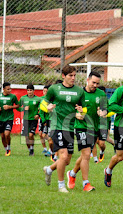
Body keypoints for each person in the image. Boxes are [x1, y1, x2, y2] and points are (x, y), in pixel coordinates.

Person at [41, 65, 86, 193]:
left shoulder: (79, 91)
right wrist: (47, 108)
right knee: (63, 155)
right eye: (70, 75)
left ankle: (49, 169)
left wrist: (81, 114)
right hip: (57, 126)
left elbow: (84, 109)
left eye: (74, 76)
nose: (73, 78)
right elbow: (43, 103)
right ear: (63, 76)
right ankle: (61, 185)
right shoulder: (54, 89)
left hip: (70, 127)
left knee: (66, 160)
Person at [66, 71, 107, 192]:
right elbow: (74, 111)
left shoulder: (101, 94)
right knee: (87, 154)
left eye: (97, 83)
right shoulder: (79, 93)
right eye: (93, 82)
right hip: (81, 127)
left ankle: (72, 174)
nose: (95, 85)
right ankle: (86, 184)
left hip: (93, 128)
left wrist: (102, 113)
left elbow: (105, 109)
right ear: (87, 80)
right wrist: (77, 115)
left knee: (85, 155)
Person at [0, 82, 19, 156]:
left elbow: (17, 105)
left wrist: (9, 107)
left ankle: (8, 148)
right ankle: (6, 149)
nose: (10, 90)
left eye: (10, 89)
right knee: (2, 136)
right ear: (3, 89)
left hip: (9, 118)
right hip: (2, 118)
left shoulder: (13, 96)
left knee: (7, 134)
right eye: (8, 89)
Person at [18, 84, 41, 156]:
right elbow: (18, 107)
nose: (29, 92)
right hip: (26, 119)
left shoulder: (38, 99)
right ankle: (30, 150)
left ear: (34, 91)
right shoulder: (23, 98)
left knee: (31, 135)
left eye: (31, 90)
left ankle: (32, 148)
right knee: (26, 136)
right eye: (28, 90)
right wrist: (23, 109)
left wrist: (38, 115)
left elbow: (41, 109)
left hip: (33, 120)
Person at [39, 85, 53, 157]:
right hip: (46, 120)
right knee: (43, 135)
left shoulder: (54, 99)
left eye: (47, 91)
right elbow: (41, 111)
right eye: (44, 91)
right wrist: (44, 121)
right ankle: (50, 148)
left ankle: (50, 151)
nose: (45, 93)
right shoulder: (43, 101)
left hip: (52, 120)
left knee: (50, 137)